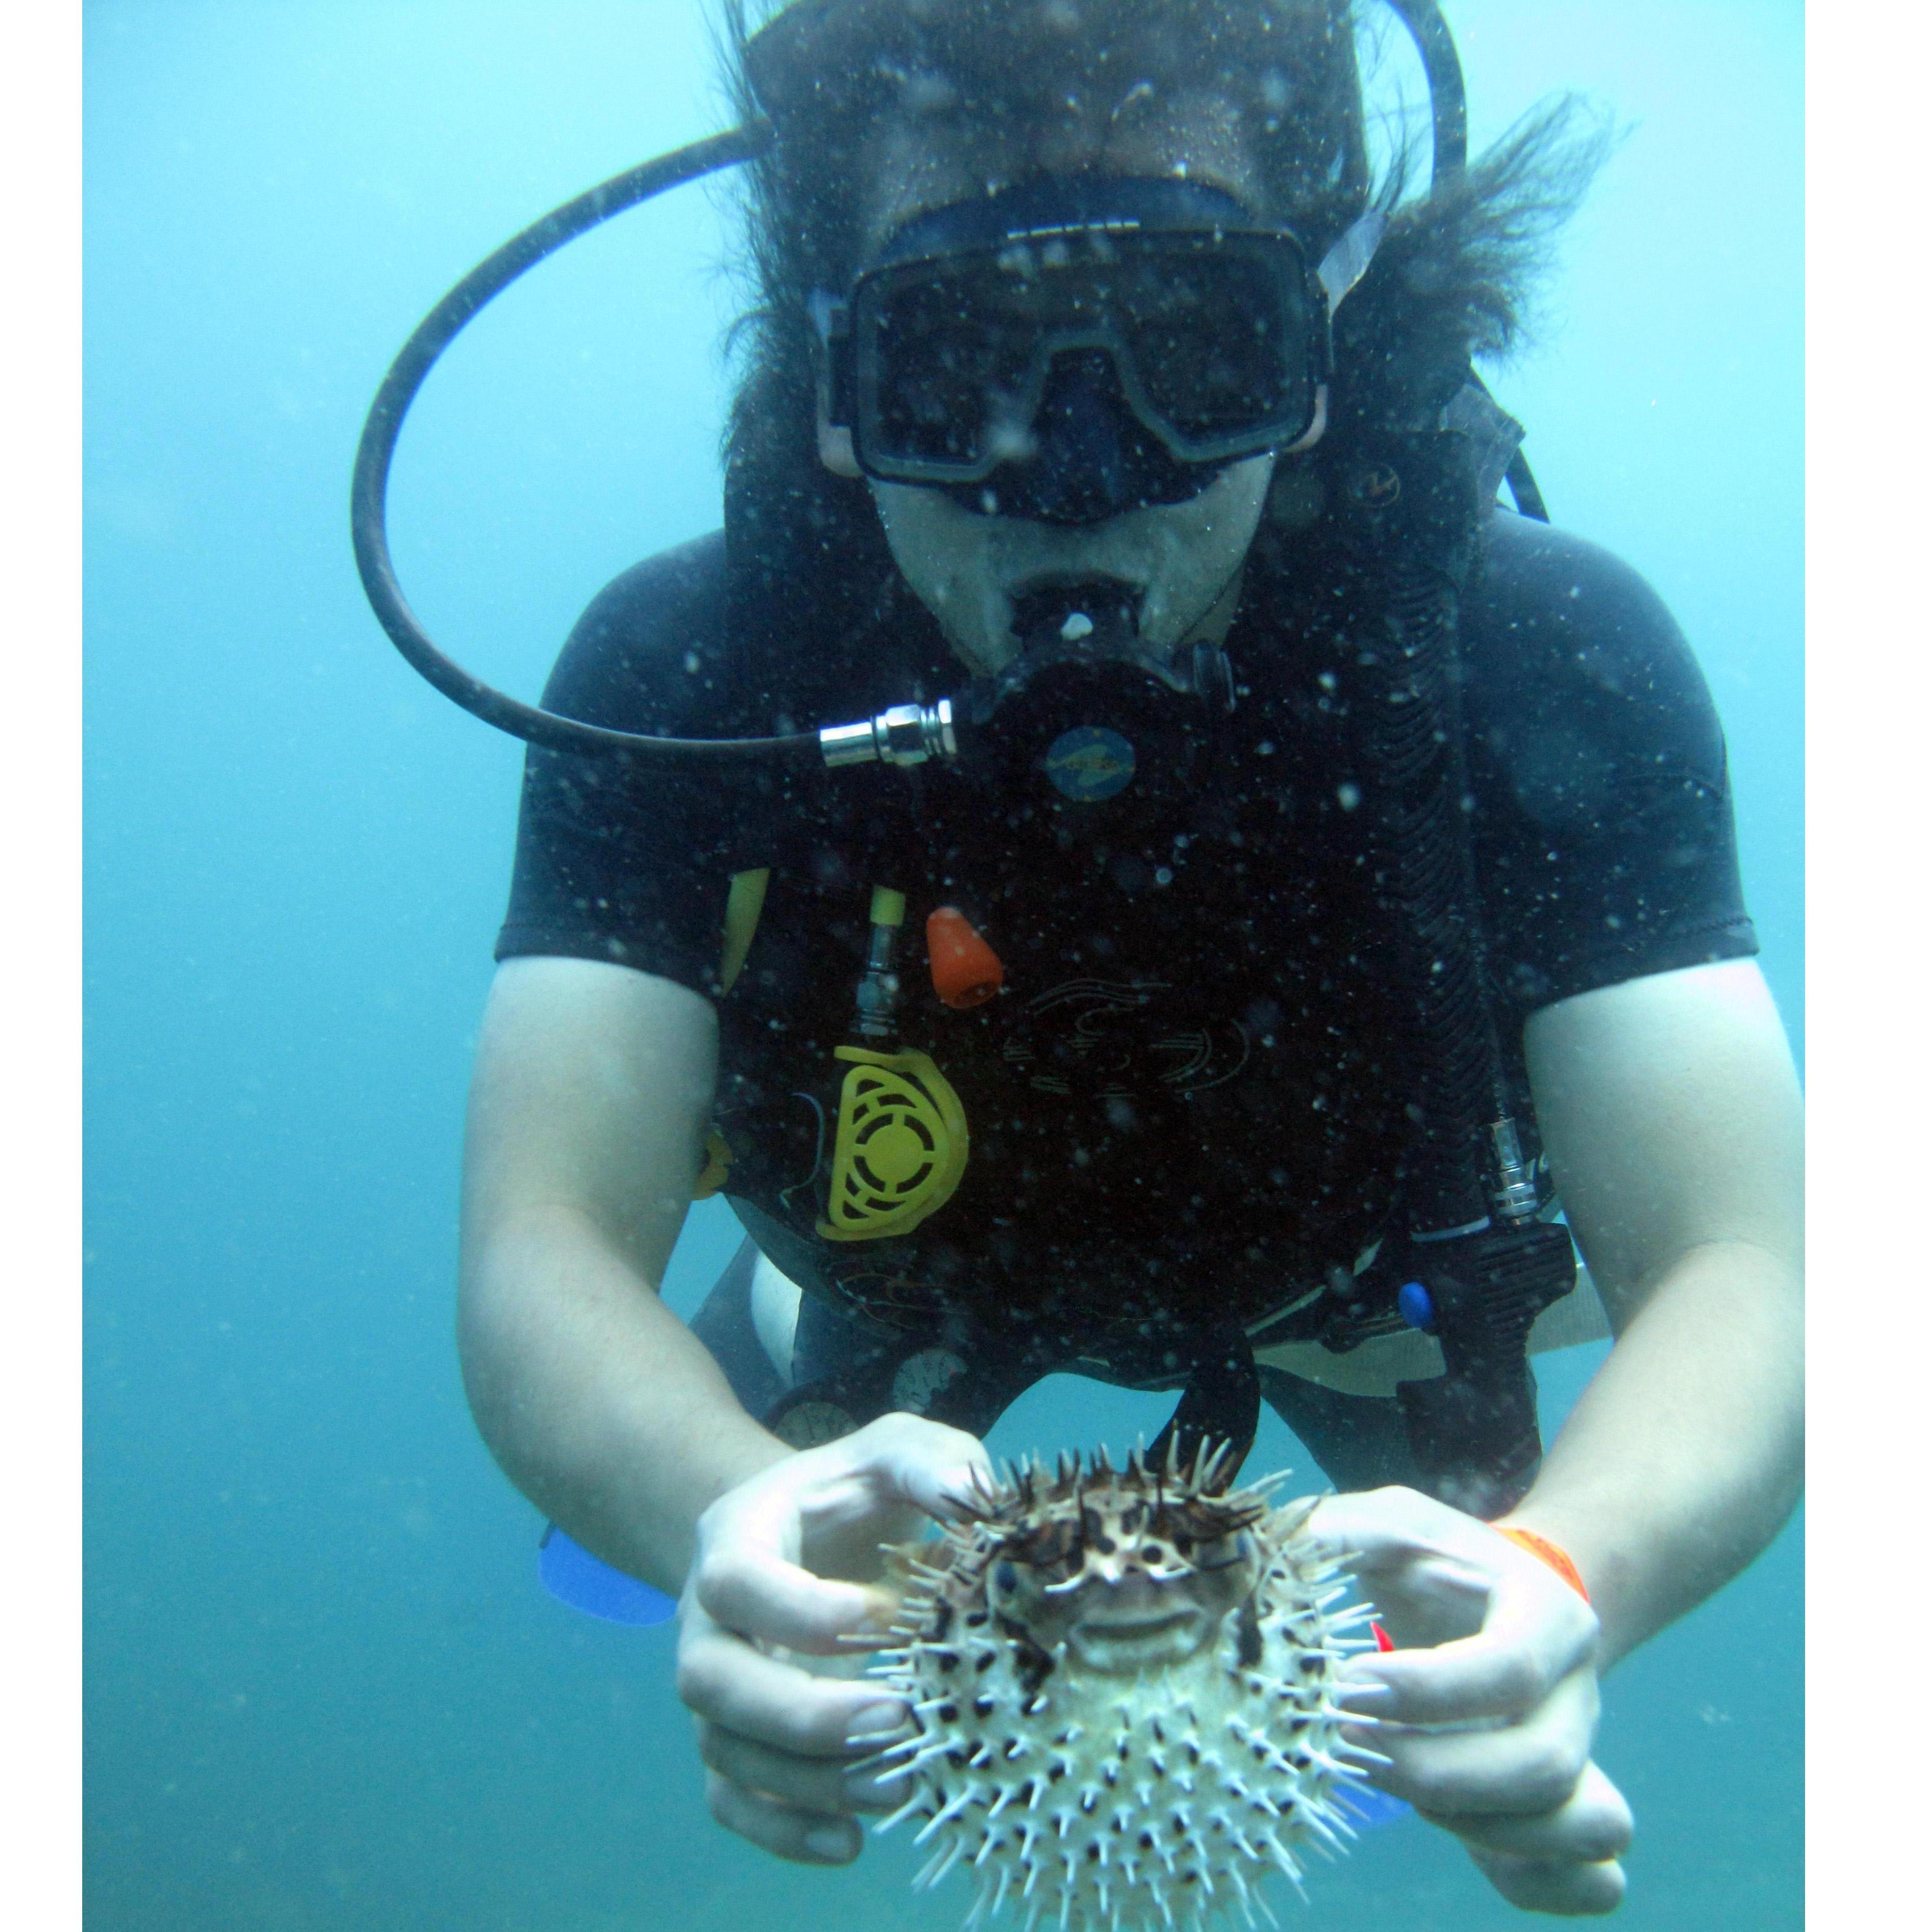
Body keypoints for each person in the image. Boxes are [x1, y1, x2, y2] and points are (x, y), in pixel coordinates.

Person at [454, 0, 1802, 1916]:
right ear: (836, 387)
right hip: (897, 1273)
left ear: (1320, 355)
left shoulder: (1538, 652)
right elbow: (541, 1246)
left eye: (1191, 347)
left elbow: (1747, 1260)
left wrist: (1576, 1567)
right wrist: (704, 1506)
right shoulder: (684, 676)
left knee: (1487, 1445)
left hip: (1376, 1292)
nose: (1080, 471)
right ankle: (780, 1376)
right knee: (825, 1363)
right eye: (959, 364)